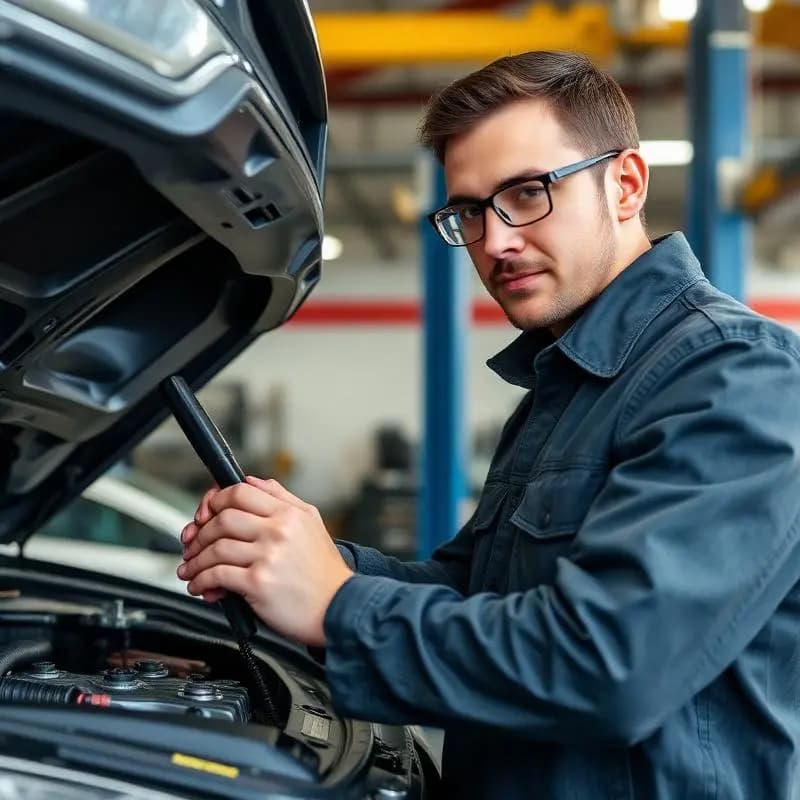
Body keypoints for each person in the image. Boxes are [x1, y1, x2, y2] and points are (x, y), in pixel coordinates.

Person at [177, 51, 800, 799]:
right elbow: (479, 596)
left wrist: (338, 604)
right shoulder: (564, 384)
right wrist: (292, 557)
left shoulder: (738, 378)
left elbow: (611, 667)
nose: (495, 240)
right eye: (469, 210)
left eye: (528, 193)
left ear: (627, 184)